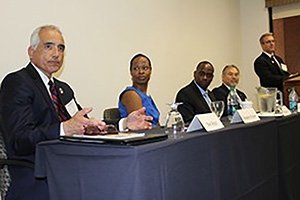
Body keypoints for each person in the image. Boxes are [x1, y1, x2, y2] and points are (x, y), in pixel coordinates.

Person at [0, 25, 152, 200]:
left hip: (71, 165)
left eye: (61, 48)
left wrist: (123, 124)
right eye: (49, 46)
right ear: (31, 51)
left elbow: (86, 125)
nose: (56, 54)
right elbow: (20, 139)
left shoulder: (63, 89)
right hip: (37, 171)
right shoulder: (17, 82)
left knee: (121, 177)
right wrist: (64, 128)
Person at [118, 53, 160, 126]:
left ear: (150, 71)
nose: (141, 72)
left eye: (145, 68)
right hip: (141, 136)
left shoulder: (147, 97)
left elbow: (156, 124)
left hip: (153, 134)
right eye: (136, 69)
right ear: (131, 72)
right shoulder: (130, 94)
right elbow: (142, 124)